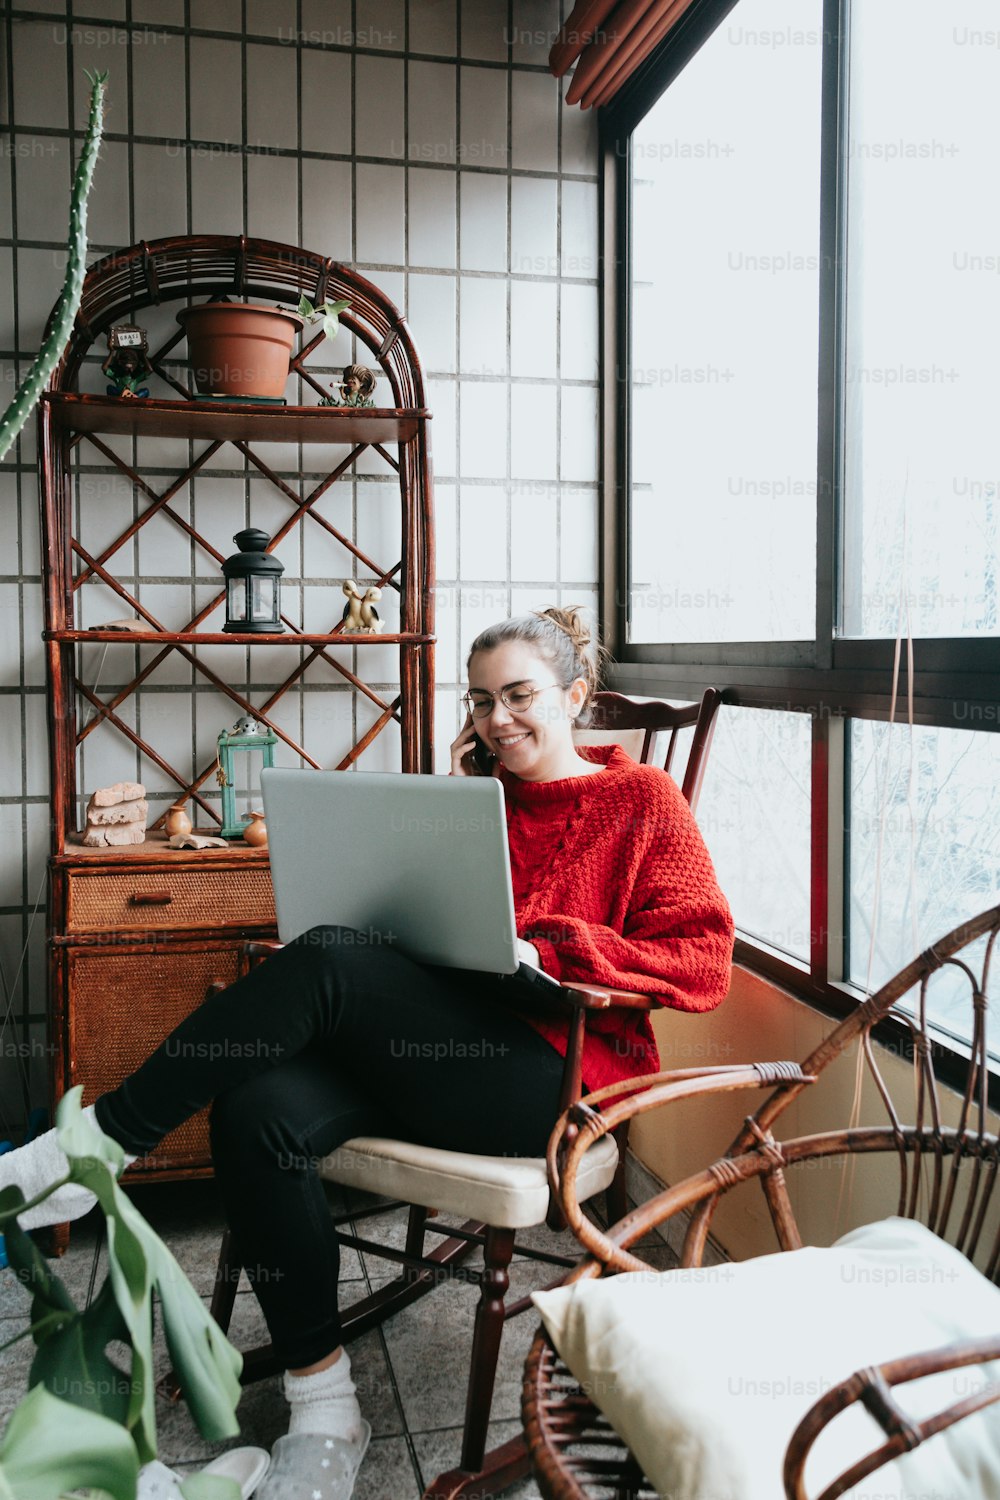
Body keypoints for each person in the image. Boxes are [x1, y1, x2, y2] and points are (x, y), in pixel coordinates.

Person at [0, 607, 734, 1500]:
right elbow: (417, 927)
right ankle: (324, 1408)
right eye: (481, 702)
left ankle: (99, 1147)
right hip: (437, 1055)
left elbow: (702, 959)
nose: (499, 720)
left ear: (574, 696)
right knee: (256, 1106)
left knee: (328, 962)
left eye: (520, 696)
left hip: (550, 1077)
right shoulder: (471, 802)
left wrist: (552, 949)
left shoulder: (641, 802)